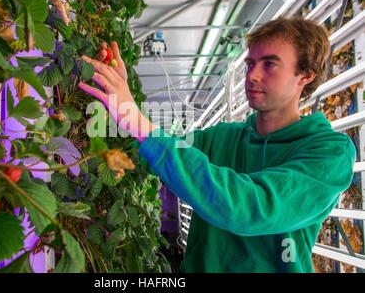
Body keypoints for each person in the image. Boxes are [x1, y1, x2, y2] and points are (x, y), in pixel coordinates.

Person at [78, 16, 356, 272]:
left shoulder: (330, 154)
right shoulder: (220, 137)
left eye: (269, 64)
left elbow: (247, 207)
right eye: (250, 64)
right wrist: (113, 88)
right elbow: (149, 153)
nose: (253, 75)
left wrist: (135, 119)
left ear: (305, 75)